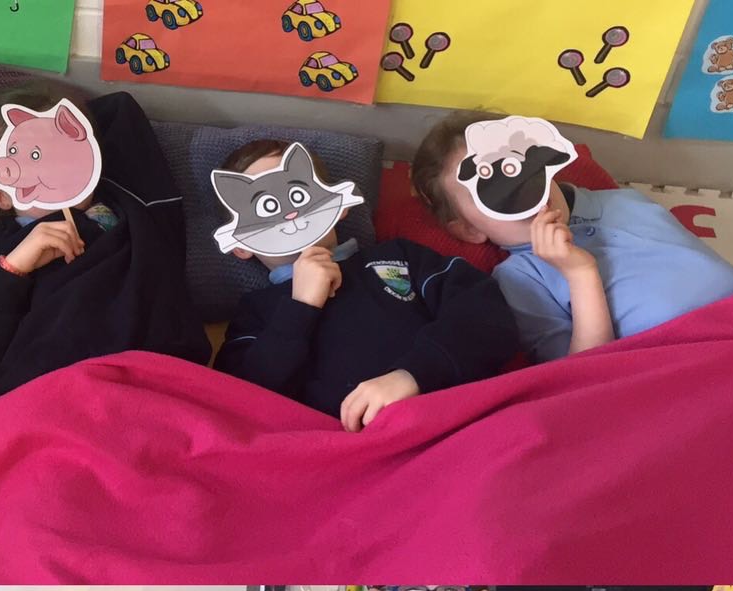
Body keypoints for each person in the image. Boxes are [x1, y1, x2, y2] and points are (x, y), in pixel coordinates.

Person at [410, 109, 733, 363]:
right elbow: (582, 377)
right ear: (470, 230)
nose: (516, 193)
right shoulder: (520, 277)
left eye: (515, 169)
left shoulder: (625, 200)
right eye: (487, 192)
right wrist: (580, 273)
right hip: (687, 365)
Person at [212, 139, 519, 430]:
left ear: (339, 205)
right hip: (341, 447)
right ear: (240, 245)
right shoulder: (256, 312)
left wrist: (413, 374)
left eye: (298, 195)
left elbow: (485, 315)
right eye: (266, 208)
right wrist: (299, 307)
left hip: (452, 420)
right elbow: (244, 402)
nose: (289, 215)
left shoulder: (399, 256)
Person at [0, 85, 209, 395]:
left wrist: (63, 121)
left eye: (60, 158)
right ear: (0, 196)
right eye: (31, 158)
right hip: (54, 385)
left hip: (148, 373)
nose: (50, 172)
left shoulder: (125, 204)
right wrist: (15, 269)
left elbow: (121, 109)